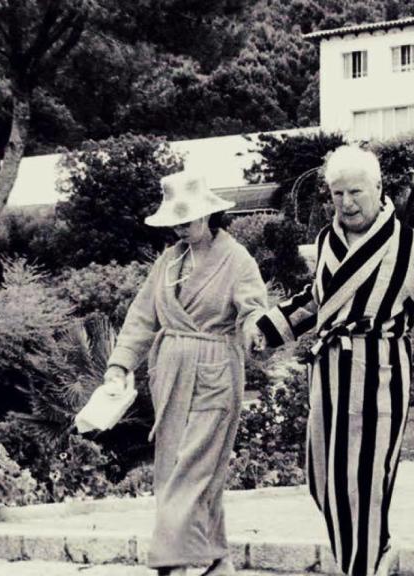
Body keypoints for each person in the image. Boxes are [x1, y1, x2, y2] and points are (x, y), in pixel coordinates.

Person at [252, 145, 414, 576]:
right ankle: (378, 549)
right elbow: (320, 299)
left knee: (362, 486)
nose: (347, 203)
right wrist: (269, 326)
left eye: (356, 192)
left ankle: (362, 567)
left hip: (379, 375)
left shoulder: (407, 247)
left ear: (379, 189)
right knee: (322, 479)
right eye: (337, 194)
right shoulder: (328, 239)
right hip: (328, 375)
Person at [104, 170, 268, 576]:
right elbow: (143, 316)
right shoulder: (168, 260)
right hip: (171, 374)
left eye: (190, 219)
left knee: (192, 469)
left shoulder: (236, 258)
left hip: (215, 371)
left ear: (209, 215)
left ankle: (170, 562)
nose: (183, 227)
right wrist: (119, 364)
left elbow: (252, 310)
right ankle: (216, 560)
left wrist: (258, 332)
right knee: (175, 466)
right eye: (176, 221)